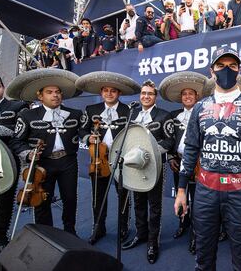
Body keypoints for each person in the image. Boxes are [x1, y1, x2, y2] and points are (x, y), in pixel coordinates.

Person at [174, 46, 241, 270]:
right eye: (220, 66)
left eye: (232, 66)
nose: (226, 70)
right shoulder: (200, 107)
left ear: (239, 70)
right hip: (205, 192)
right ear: (212, 70)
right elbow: (190, 149)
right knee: (203, 256)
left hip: (240, 193)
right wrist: (181, 190)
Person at [8, 69, 82, 235]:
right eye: (49, 92)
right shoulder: (27, 115)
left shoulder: (75, 114)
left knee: (70, 199)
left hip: (68, 162)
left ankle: (70, 232)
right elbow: (16, 141)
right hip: (42, 164)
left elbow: (84, 132)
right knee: (41, 200)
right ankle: (45, 235)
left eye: (57, 92)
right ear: (40, 96)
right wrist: (28, 153)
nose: (55, 95)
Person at [77, 72, 140, 245]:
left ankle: (123, 228)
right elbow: (82, 130)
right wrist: (88, 138)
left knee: (123, 196)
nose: (109, 94)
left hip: (121, 160)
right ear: (101, 93)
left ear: (119, 93)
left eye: (113, 91)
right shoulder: (92, 110)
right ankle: (98, 228)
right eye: (106, 90)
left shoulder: (129, 111)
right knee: (98, 197)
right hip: (99, 160)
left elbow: (135, 134)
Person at [122, 80, 174, 265]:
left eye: (150, 94)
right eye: (143, 93)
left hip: (155, 166)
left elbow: (169, 142)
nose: (146, 96)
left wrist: (150, 153)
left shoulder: (164, 115)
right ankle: (141, 234)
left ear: (155, 96)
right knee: (138, 202)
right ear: (140, 95)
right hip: (135, 167)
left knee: (155, 205)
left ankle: (153, 242)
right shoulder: (131, 115)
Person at [159, 71, 208, 255]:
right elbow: (169, 139)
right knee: (182, 195)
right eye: (184, 94)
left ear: (197, 97)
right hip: (178, 161)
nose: (187, 96)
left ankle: (196, 233)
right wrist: (171, 157)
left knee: (197, 198)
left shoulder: (205, 113)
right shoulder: (173, 115)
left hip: (198, 163)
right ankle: (183, 223)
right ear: (181, 98)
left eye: (191, 94)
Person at [0, 74, 28, 252]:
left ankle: (0, 238)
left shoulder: (17, 106)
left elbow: (18, 133)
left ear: (3, 87)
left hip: (7, 161)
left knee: (4, 200)